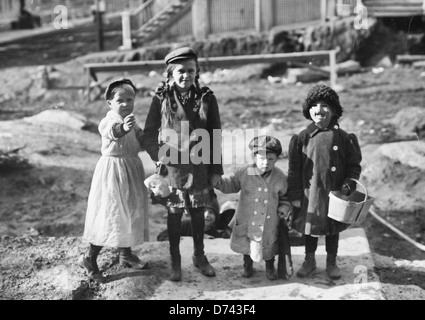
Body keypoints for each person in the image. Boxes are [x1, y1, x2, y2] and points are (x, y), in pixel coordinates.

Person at [143, 46, 224, 281]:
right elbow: (149, 133)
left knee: (198, 213)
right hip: (174, 169)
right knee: (175, 213)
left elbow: (215, 135)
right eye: (180, 71)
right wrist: (159, 155)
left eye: (190, 70)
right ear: (170, 73)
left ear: (197, 72)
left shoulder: (207, 98)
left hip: (199, 166)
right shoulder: (161, 99)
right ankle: (175, 260)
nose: (185, 75)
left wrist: (216, 170)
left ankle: (199, 256)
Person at [287, 83, 362, 280]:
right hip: (310, 193)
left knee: (332, 228)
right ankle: (309, 260)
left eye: (325, 105)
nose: (319, 110)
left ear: (335, 110)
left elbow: (354, 166)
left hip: (335, 193)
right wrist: (294, 195)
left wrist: (350, 182)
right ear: (308, 110)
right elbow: (293, 170)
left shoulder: (344, 138)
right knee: (310, 227)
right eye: (314, 106)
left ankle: (331, 262)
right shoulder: (301, 138)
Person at [79, 78, 149, 283]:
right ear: (110, 103)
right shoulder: (108, 121)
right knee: (112, 214)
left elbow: (142, 141)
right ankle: (89, 258)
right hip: (113, 171)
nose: (126, 103)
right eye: (120, 100)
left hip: (132, 168)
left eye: (130, 99)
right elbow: (113, 132)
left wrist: (151, 137)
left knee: (129, 210)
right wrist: (124, 129)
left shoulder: (133, 121)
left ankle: (125, 254)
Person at [212, 135, 293, 280]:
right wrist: (218, 182)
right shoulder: (245, 172)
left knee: (269, 245)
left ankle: (270, 267)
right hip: (247, 218)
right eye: (261, 158)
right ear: (254, 157)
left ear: (276, 159)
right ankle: (247, 266)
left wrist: (284, 208)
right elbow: (231, 184)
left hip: (268, 221)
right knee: (247, 244)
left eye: (271, 159)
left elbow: (285, 197)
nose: (266, 163)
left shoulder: (279, 177)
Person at [156, 196, 228, 241]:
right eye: (203, 211)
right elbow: (162, 236)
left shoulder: (214, 234)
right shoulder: (186, 225)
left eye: (211, 212)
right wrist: (183, 240)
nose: (206, 215)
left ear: (216, 216)